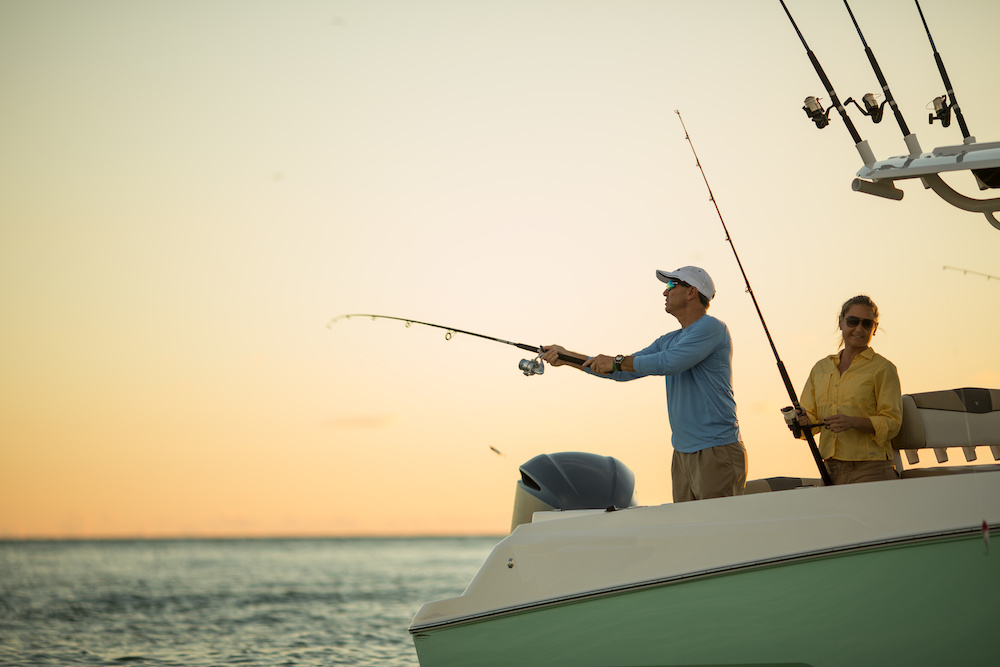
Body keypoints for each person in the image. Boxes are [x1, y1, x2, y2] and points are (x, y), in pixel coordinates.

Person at [542, 266, 746, 503]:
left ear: (691, 292)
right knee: (690, 533)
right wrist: (567, 357)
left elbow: (668, 363)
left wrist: (617, 362)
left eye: (671, 285)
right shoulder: (668, 340)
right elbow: (621, 372)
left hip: (716, 451)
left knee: (716, 533)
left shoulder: (712, 328)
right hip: (682, 453)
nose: (664, 293)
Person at [796, 295, 902, 485]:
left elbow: (892, 422)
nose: (859, 328)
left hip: (871, 469)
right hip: (829, 470)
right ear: (841, 322)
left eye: (867, 324)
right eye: (853, 321)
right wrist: (802, 420)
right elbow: (811, 419)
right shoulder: (820, 368)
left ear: (874, 329)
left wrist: (853, 422)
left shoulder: (883, 368)